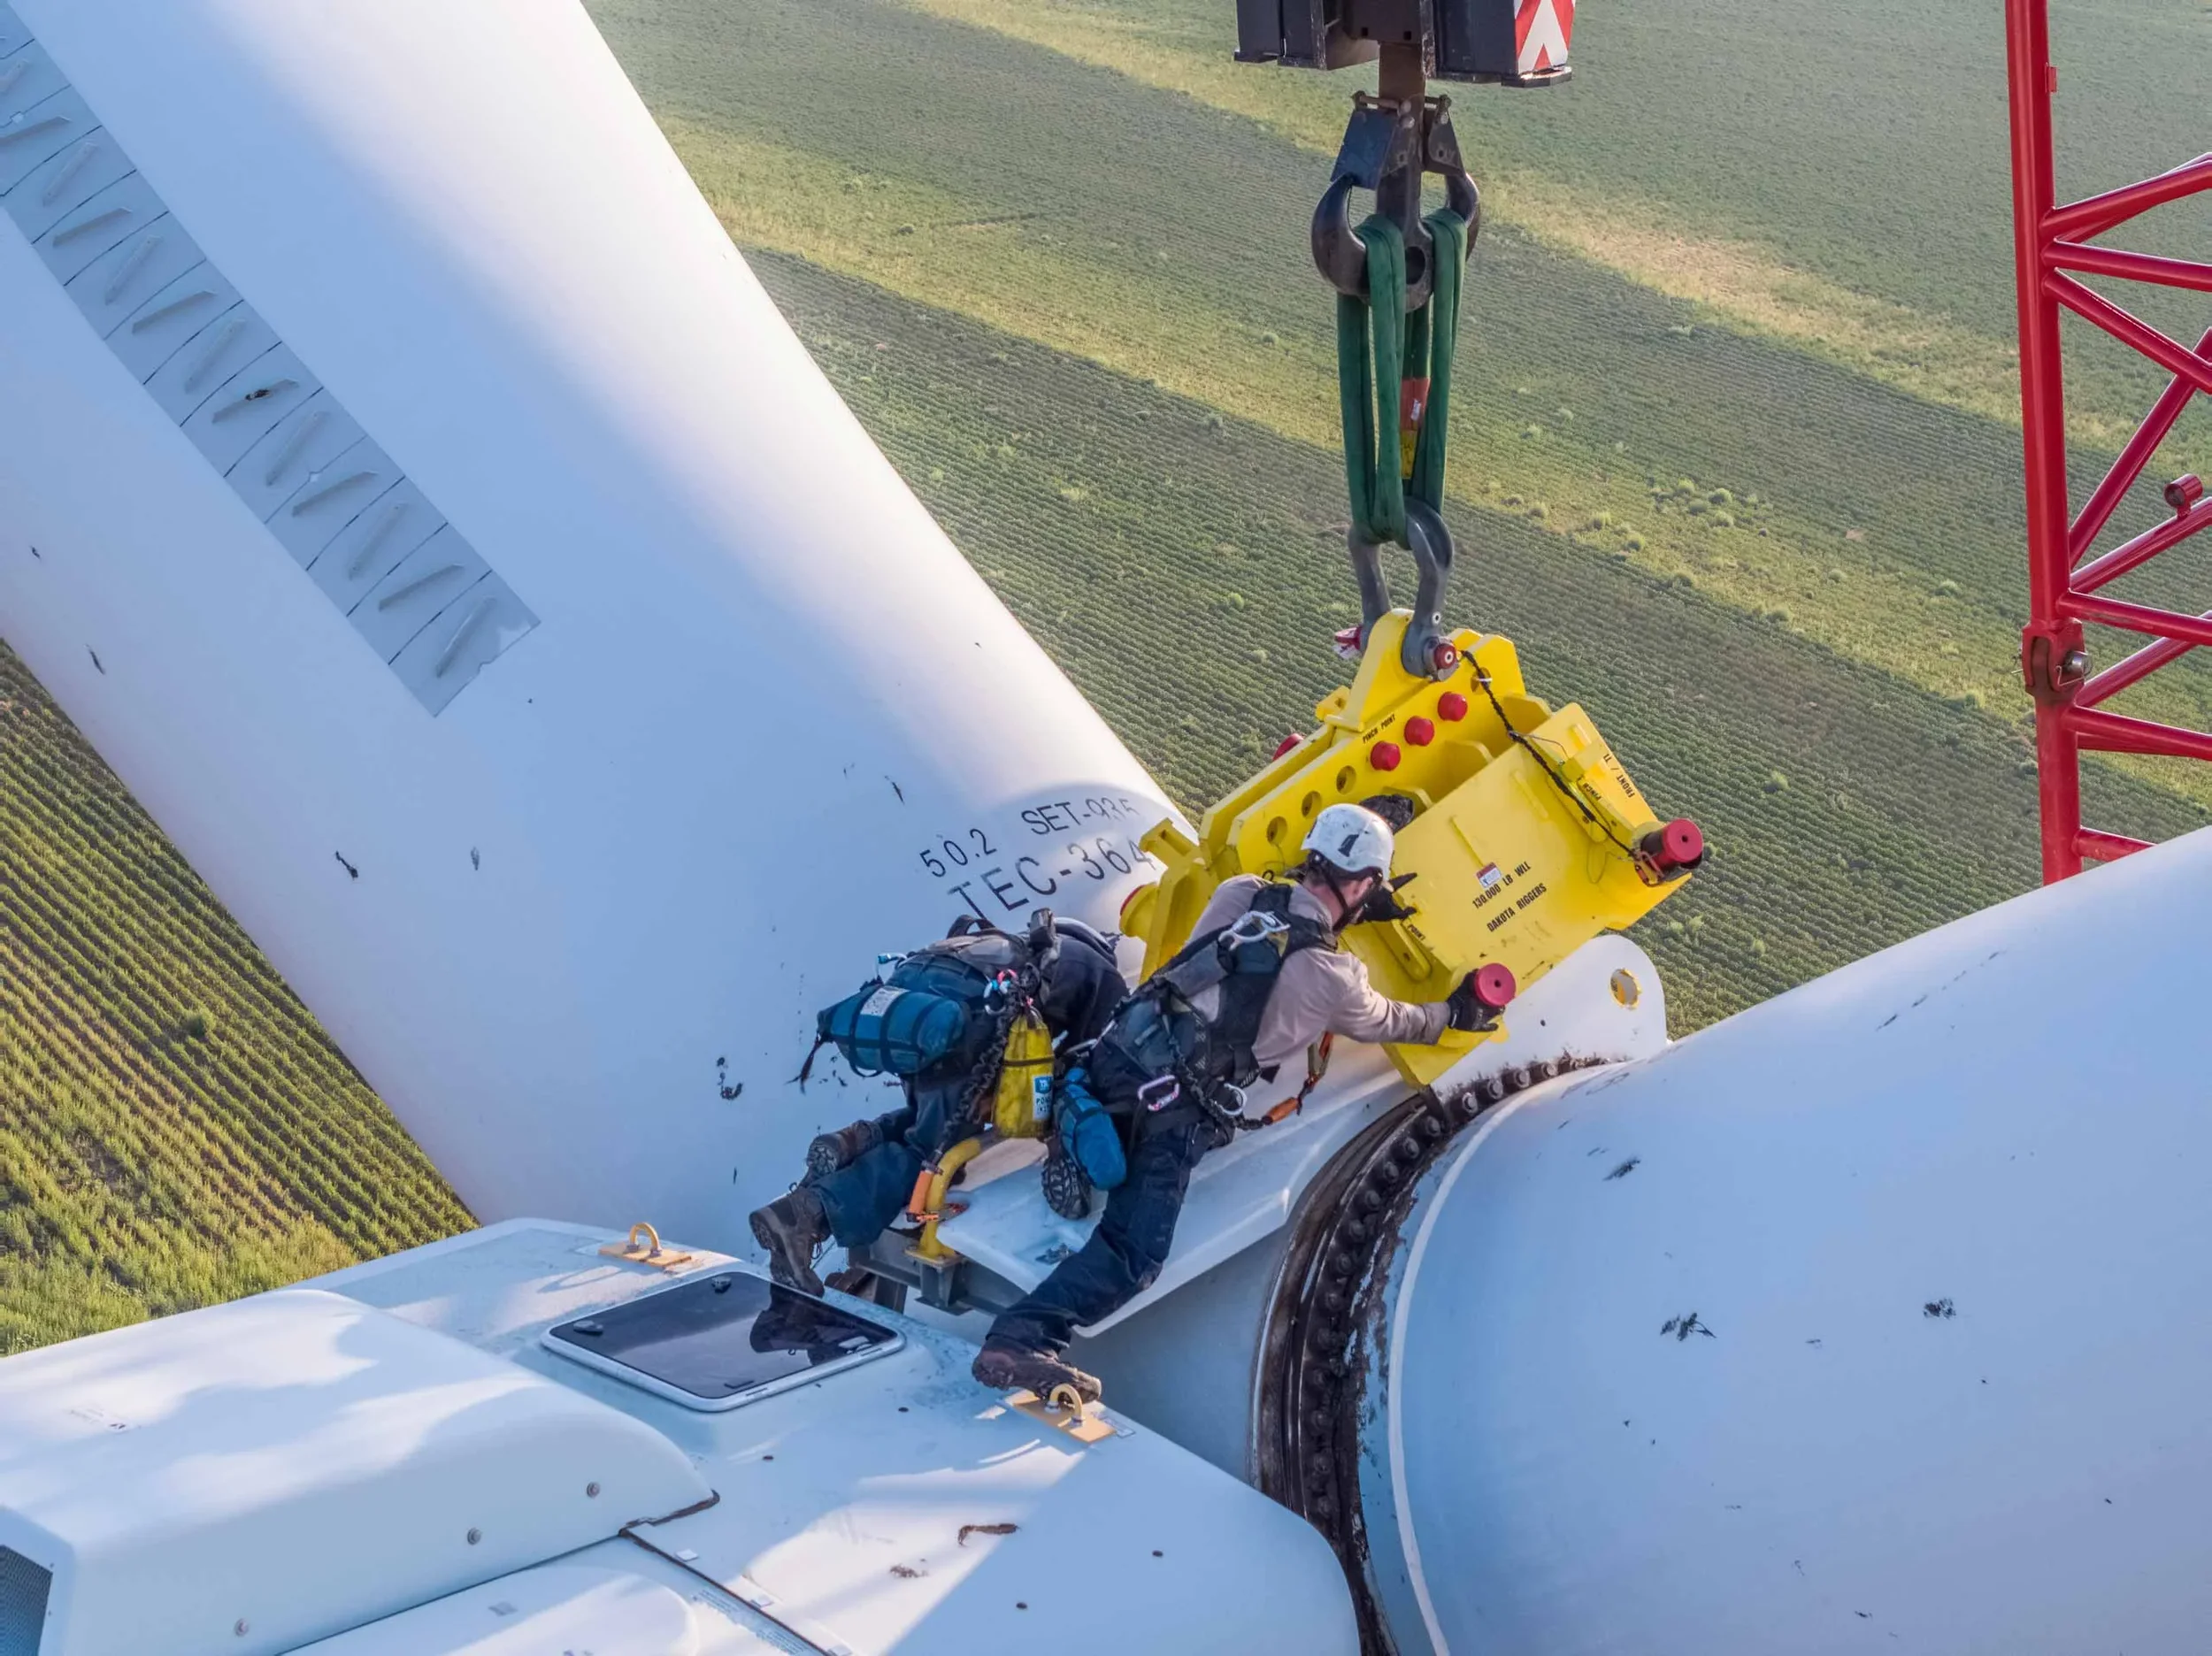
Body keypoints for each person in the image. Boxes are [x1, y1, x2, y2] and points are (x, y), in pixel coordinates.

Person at [969, 802, 1508, 1403]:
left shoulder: (1238, 892)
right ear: (1363, 886)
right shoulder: (1335, 977)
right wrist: (1458, 1011)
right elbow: (1397, 1020)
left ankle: (1074, 1141)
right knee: (1134, 1253)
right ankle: (1020, 1338)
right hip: (1170, 1111)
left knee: (1104, 1119)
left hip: (1114, 1054)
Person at [751, 912, 1128, 1295]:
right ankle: (809, 1214)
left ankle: (856, 1141)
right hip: (962, 1022)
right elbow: (1101, 1066)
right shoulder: (1101, 975)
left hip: (916, 1009)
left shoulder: (1009, 948)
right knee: (931, 1156)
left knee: (930, 1120)